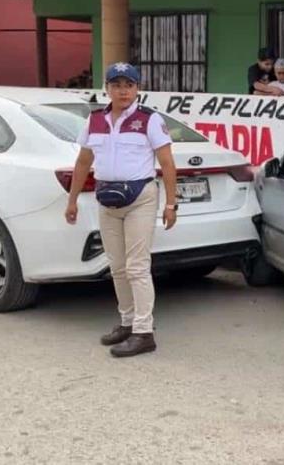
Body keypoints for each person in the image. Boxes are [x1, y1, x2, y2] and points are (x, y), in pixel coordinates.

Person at [65, 62, 178, 358]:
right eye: (117, 85)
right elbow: (82, 162)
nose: (123, 90)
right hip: (107, 201)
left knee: (137, 266)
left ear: (137, 88)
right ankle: (127, 323)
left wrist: (170, 203)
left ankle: (144, 332)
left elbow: (167, 163)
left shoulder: (149, 120)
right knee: (116, 266)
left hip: (141, 196)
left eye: (129, 85)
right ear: (107, 89)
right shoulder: (95, 121)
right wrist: (72, 199)